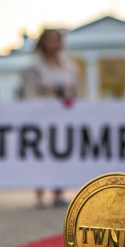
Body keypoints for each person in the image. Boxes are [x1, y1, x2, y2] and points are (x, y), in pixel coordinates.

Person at [20, 29, 79, 208]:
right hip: (41, 119)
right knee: (41, 155)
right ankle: (39, 193)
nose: (54, 44)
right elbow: (29, 94)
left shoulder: (71, 68)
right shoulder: (33, 69)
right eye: (50, 40)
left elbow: (76, 94)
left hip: (63, 118)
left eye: (57, 40)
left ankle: (58, 192)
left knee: (60, 154)